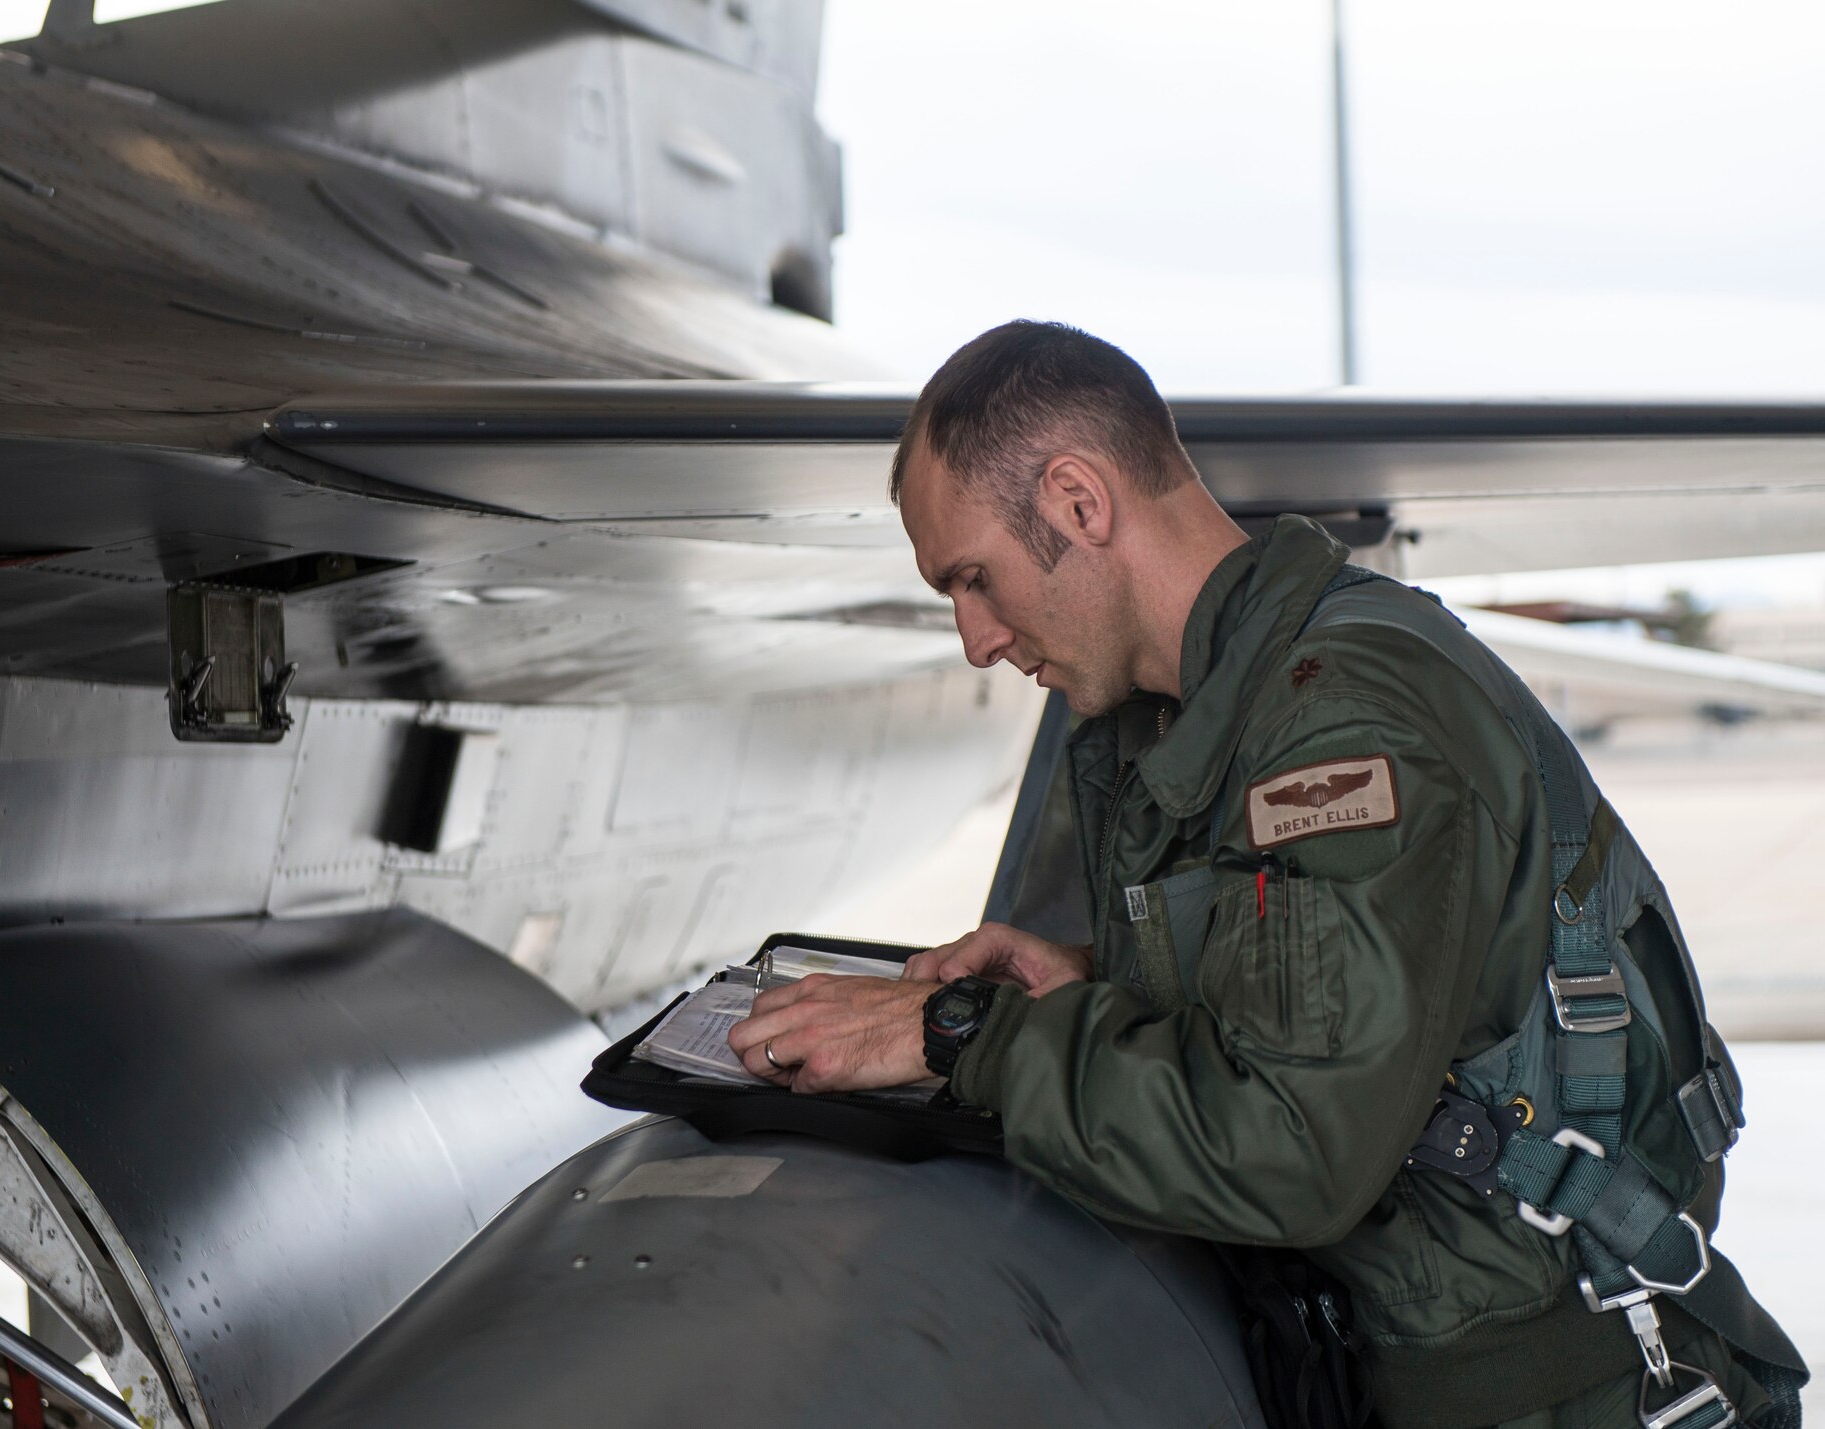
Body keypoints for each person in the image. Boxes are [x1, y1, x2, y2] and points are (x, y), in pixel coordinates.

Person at [728, 321, 1805, 1428]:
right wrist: (1085, 985)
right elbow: (1342, 988)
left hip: (1555, 1392)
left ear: (1076, 502)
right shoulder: (1202, 707)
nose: (973, 638)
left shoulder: (1344, 720)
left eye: (973, 578)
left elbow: (1294, 1147)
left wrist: (959, 1038)